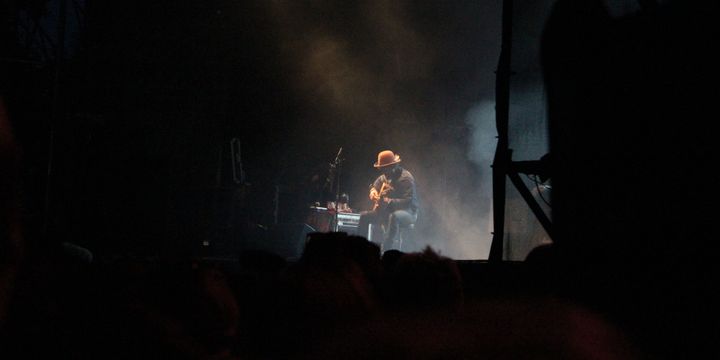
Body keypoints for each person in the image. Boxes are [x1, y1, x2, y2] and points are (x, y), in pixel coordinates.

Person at [357, 150, 419, 252]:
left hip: (408, 212)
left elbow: (408, 201)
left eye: (384, 169)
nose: (383, 172)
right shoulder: (384, 176)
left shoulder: (405, 178)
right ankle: (360, 249)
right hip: (388, 211)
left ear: (393, 166)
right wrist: (373, 192)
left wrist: (389, 201)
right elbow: (374, 186)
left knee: (393, 217)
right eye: (381, 169)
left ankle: (385, 251)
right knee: (364, 216)